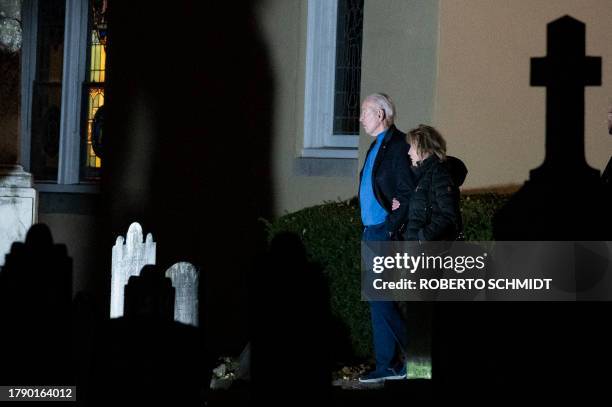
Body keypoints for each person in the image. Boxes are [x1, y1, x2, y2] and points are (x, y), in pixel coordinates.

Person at [357, 93, 414, 383]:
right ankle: (386, 365)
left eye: (365, 112)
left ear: (380, 114)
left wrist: (392, 225)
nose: (360, 117)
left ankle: (418, 357)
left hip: (384, 231)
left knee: (380, 298)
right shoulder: (377, 145)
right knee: (377, 299)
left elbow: (407, 191)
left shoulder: (399, 144)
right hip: (371, 230)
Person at [392, 124, 467, 242]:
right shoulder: (423, 176)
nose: (409, 152)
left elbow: (449, 216)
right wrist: (402, 204)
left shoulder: (439, 173)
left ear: (425, 148)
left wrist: (423, 237)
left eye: (412, 146)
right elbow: (421, 211)